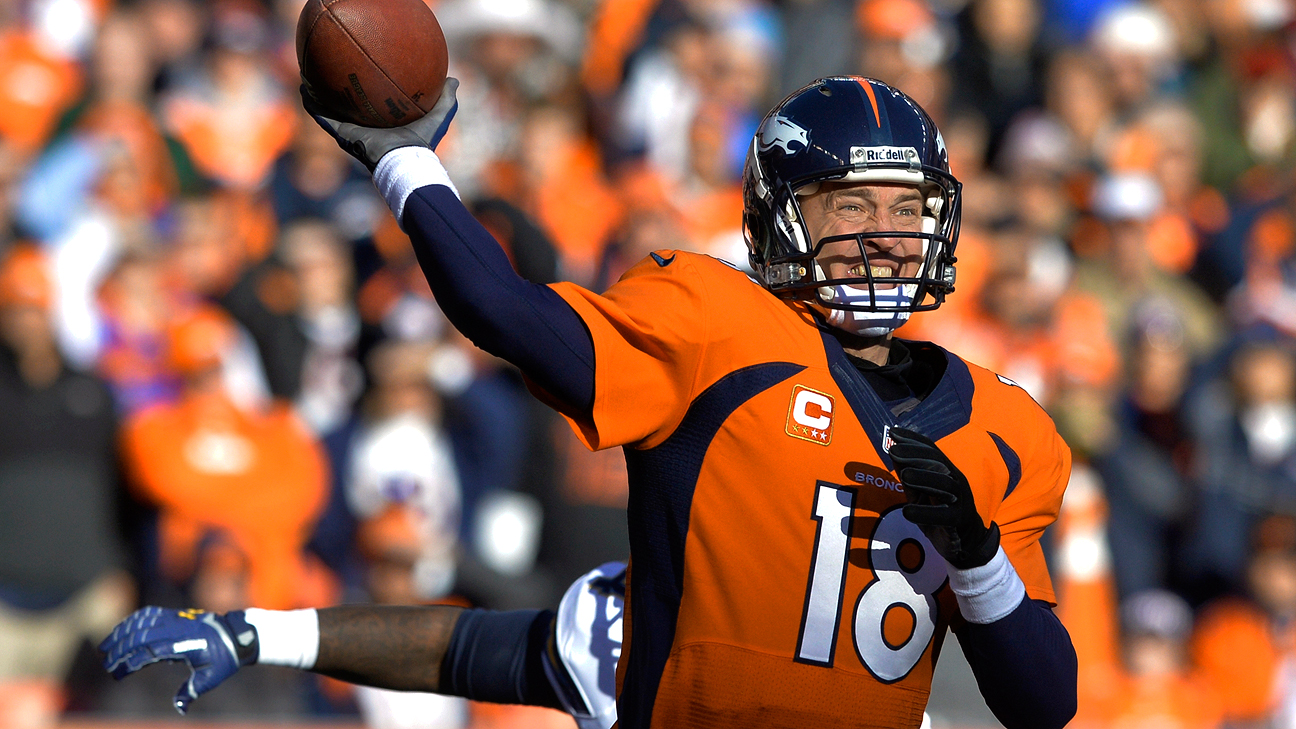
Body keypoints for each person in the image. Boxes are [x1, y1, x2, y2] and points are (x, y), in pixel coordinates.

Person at [102, 76, 1077, 728]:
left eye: (908, 207)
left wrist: (980, 560)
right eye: (852, 207)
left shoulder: (1009, 429)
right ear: (785, 218)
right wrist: (407, 162)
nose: (887, 235)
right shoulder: (718, 330)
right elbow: (504, 314)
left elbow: (1045, 702)